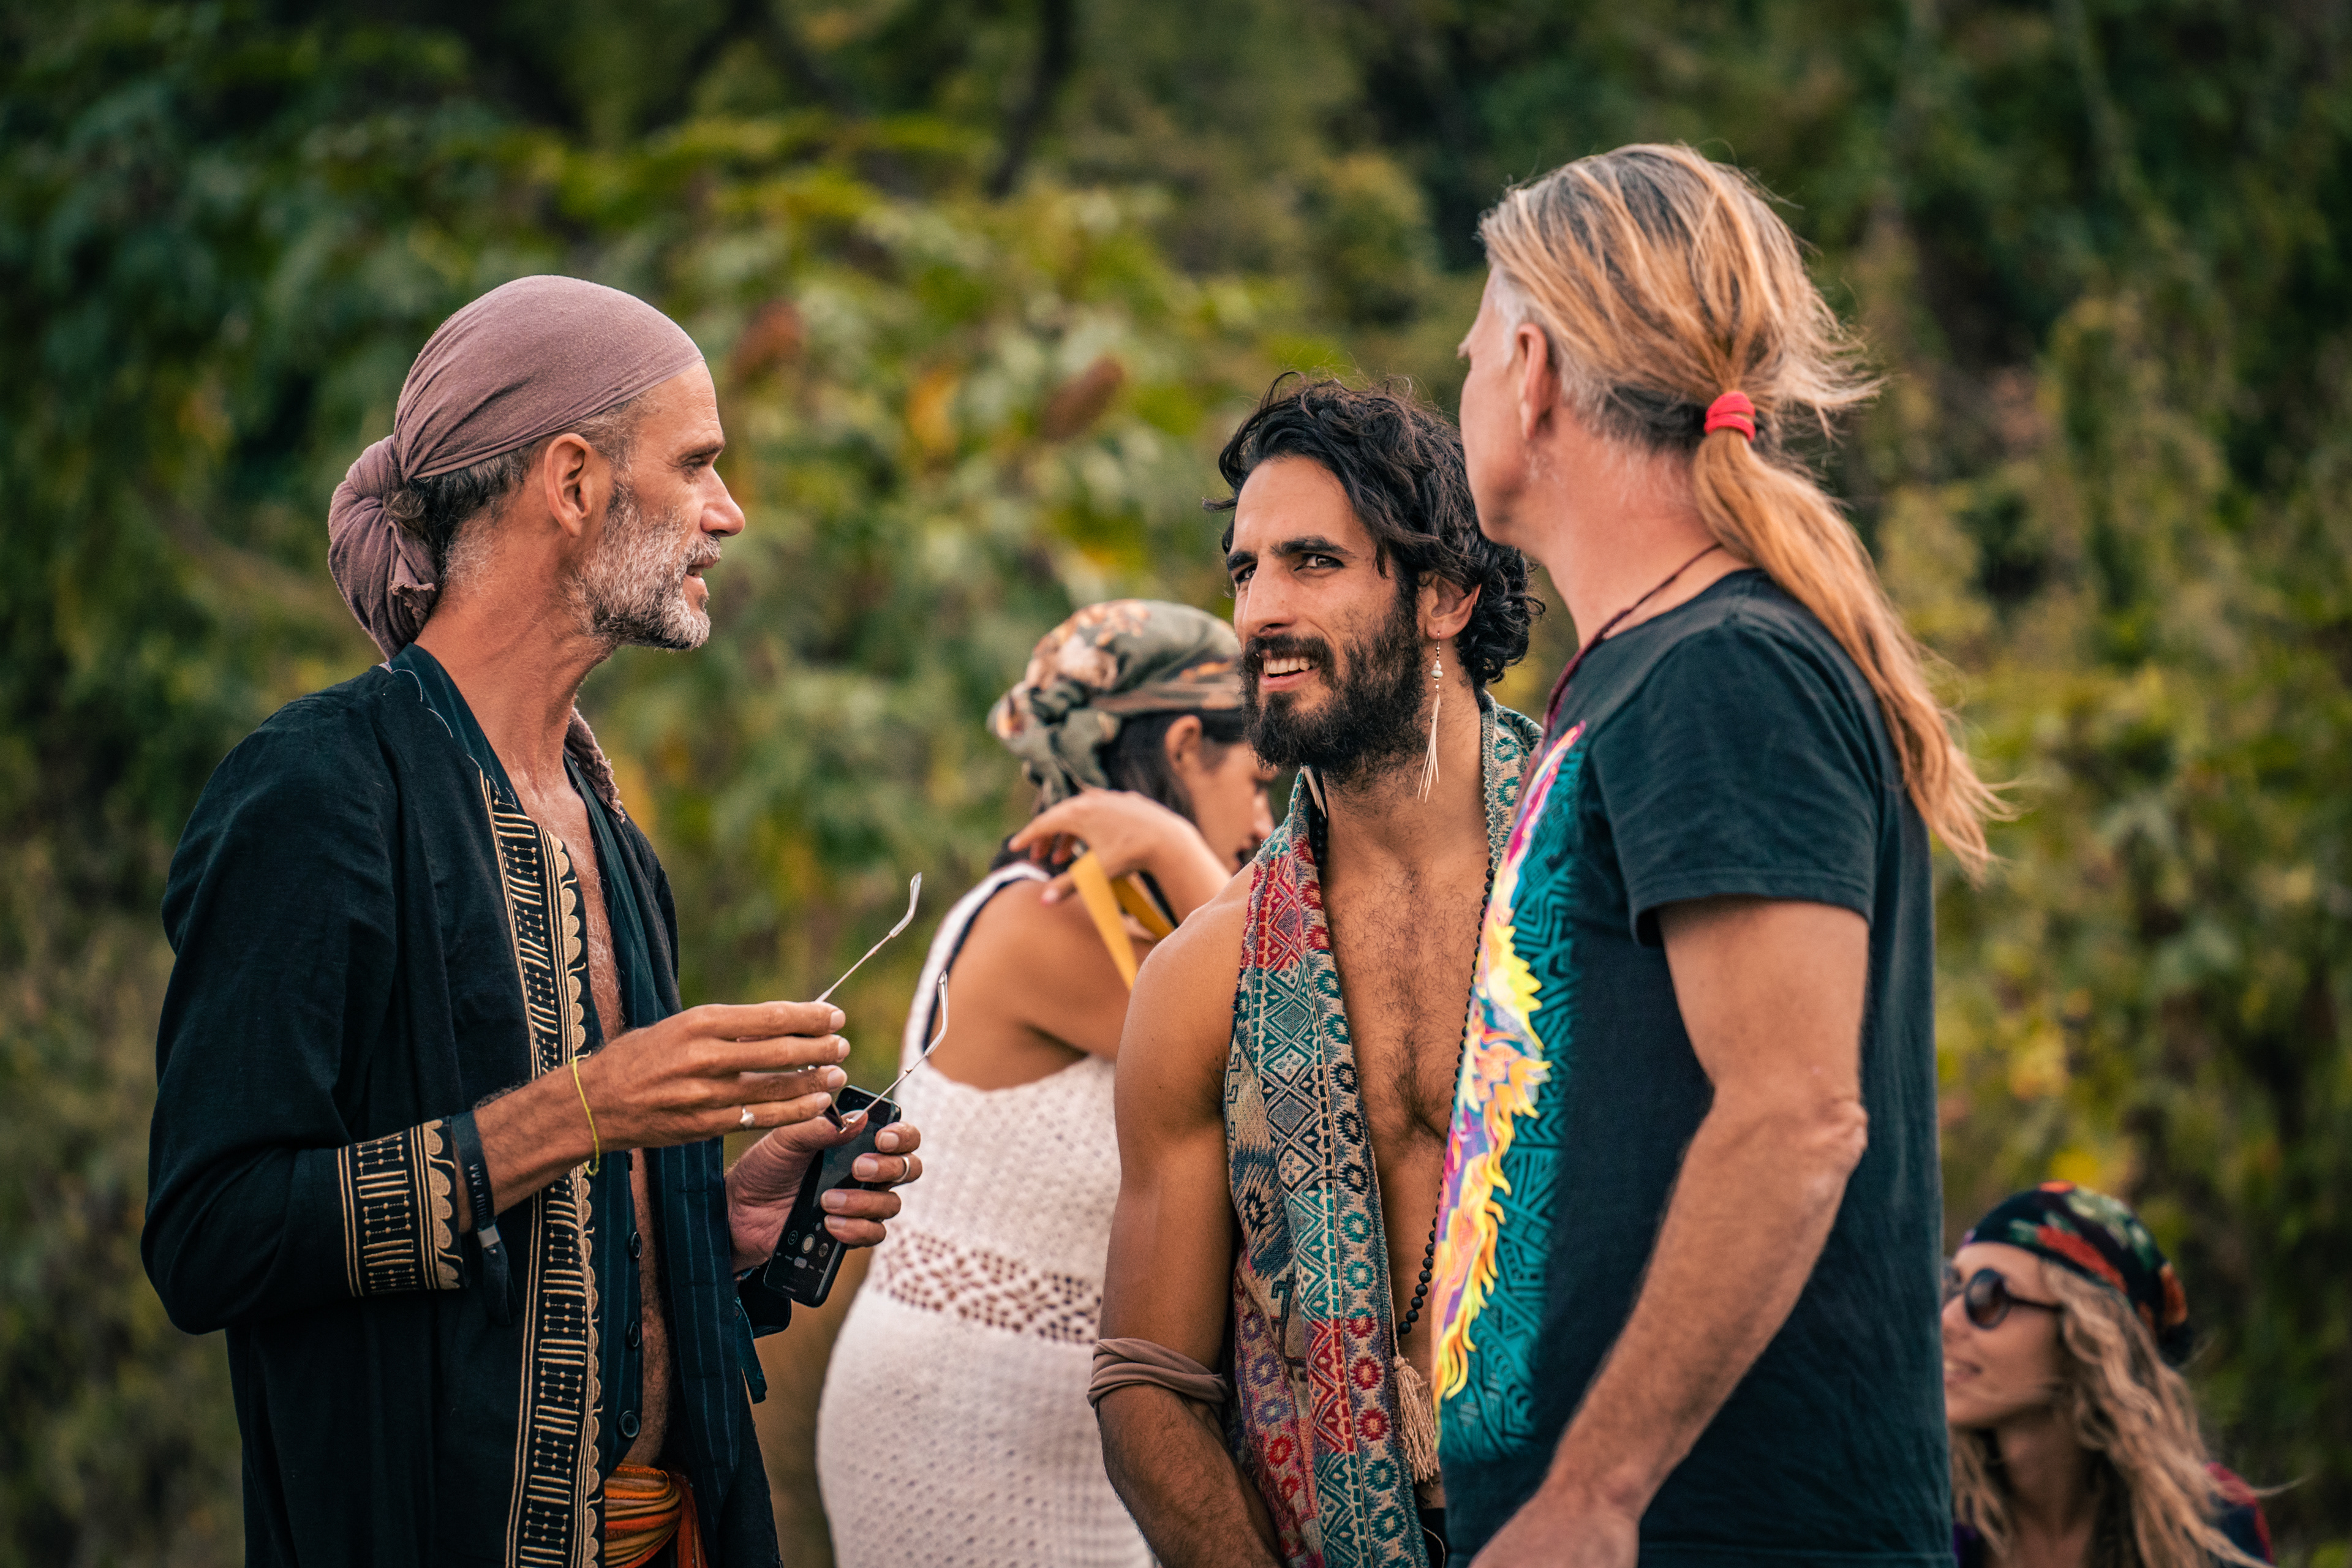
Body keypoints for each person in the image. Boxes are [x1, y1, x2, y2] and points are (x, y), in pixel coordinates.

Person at [142, 275, 923, 1568]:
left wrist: (712, 1230)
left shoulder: (610, 833)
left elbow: (561, 1273)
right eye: (699, 464)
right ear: (573, 481)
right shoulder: (318, 791)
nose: (727, 514)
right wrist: (585, 1108)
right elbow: (210, 1236)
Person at [1437, 143, 2007, 1566]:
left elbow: (1795, 1114)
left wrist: (1594, 1490)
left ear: (1530, 366)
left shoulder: (1721, 669)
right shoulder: (1633, 672)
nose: (1457, 391)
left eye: (1464, 354)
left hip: (1717, 1529)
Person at [1092, 378, 1539, 1568]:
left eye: (1311, 562)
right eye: (1244, 572)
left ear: (1446, 592)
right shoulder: (1204, 975)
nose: (1258, 615)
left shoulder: (1591, 891)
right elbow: (1146, 1382)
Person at [816, 598, 1273, 1568]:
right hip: (965, 1425)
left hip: (1063, 1433)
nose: (1265, 819)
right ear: (1188, 744)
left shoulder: (1130, 930)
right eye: (1259, 778)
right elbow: (1287, 1039)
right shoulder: (1051, 917)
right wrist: (1183, 854)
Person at [1947, 1183, 2272, 1567]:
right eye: (1951, 1287)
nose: (1945, 1321)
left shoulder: (2214, 1527)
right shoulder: (1926, 1517)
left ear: (2086, 1339)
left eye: (1988, 1297)